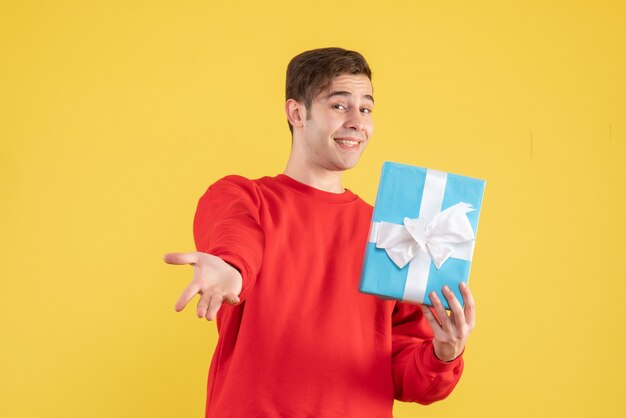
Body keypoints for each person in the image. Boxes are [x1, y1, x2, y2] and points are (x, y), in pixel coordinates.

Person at [164, 47, 475, 418]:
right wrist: (231, 267)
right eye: (340, 106)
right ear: (297, 113)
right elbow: (236, 235)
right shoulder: (243, 196)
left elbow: (409, 378)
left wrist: (444, 352)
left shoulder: (394, 234)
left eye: (366, 108)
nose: (358, 122)